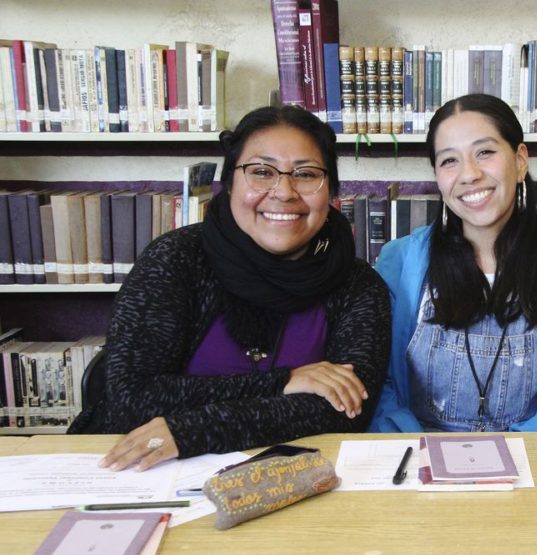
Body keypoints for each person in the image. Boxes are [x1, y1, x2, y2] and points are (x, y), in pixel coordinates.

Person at [69, 105, 392, 471]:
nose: (284, 192)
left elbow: (345, 410)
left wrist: (191, 428)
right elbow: (132, 400)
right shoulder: (175, 260)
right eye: (261, 172)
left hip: (297, 479)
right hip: (146, 471)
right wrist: (285, 382)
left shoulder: (358, 284)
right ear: (229, 182)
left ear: (331, 191)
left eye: (305, 174)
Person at [370, 94, 537, 433]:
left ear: (520, 160)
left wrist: (515, 455)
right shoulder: (400, 263)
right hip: (422, 464)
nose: (469, 174)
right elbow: (383, 385)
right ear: (437, 175)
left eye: (485, 152)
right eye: (449, 161)